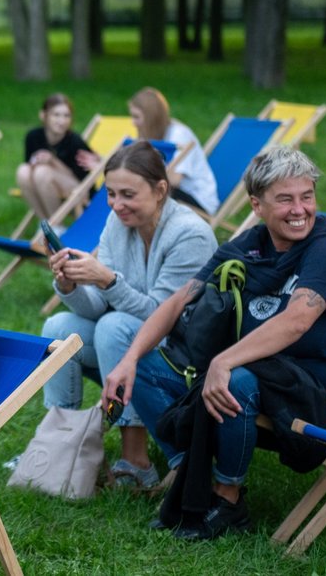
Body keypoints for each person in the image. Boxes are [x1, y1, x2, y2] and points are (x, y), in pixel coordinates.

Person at [104, 145, 326, 539]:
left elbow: (297, 320)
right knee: (143, 362)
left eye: (307, 196)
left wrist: (224, 361)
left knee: (235, 377)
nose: (300, 209)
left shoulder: (325, 250)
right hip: (273, 386)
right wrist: (128, 359)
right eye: (285, 199)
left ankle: (227, 498)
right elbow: (181, 298)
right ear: (256, 205)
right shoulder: (251, 246)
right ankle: (189, 471)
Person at [37, 141, 216, 490]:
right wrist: (71, 285)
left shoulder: (190, 235)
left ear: (160, 190)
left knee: (114, 327)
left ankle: (136, 461)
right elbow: (101, 303)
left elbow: (162, 316)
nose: (117, 205)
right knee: (58, 327)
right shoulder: (117, 224)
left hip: (182, 351)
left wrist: (106, 279)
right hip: (124, 337)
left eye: (128, 194)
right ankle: (60, 449)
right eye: (110, 193)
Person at [125, 87, 219, 215]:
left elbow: (174, 180)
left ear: (150, 117)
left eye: (136, 117)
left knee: (143, 190)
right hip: (175, 194)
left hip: (198, 199)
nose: (133, 123)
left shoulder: (179, 134)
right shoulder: (153, 135)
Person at [15, 93, 94, 221]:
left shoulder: (75, 141)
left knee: (42, 172)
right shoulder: (33, 136)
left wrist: (53, 161)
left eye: (66, 116)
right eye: (56, 115)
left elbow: (83, 179)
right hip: (44, 185)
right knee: (23, 170)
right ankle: (45, 223)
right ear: (43, 115)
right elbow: (29, 167)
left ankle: (55, 225)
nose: (62, 121)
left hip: (79, 188)